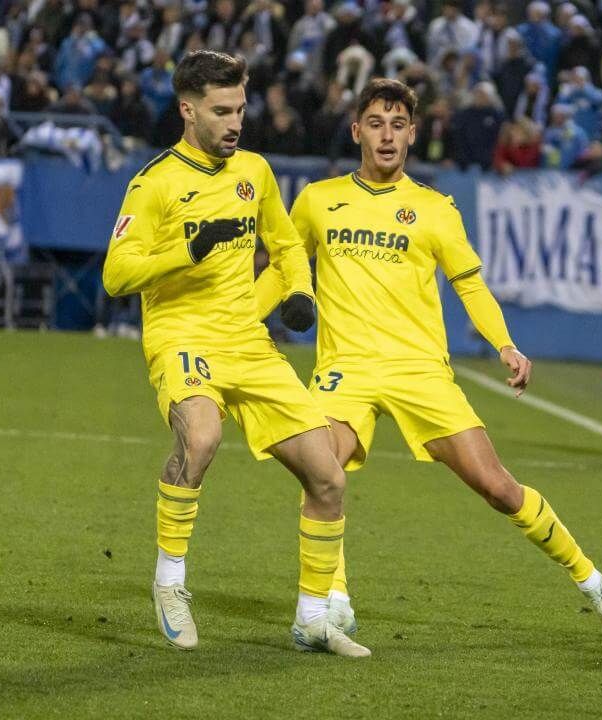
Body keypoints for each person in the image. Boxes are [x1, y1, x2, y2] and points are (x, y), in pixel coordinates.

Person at [253, 78, 602, 642]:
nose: (387, 136)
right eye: (376, 124)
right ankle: (329, 598)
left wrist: (504, 343)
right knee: (322, 472)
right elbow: (284, 269)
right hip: (347, 370)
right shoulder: (317, 200)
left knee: (498, 488)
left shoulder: (434, 210)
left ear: (413, 134)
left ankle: (593, 582)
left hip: (420, 372)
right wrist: (242, 321)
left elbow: (471, 287)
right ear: (356, 129)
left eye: (398, 125)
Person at [102, 50, 369, 658]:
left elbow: (285, 242)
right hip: (182, 336)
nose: (235, 122)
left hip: (248, 343)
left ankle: (310, 619)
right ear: (188, 109)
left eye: (241, 109)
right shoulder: (154, 183)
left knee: (328, 476)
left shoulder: (255, 171)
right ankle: (170, 583)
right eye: (221, 111)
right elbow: (117, 275)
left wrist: (298, 292)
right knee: (200, 437)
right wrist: (188, 252)